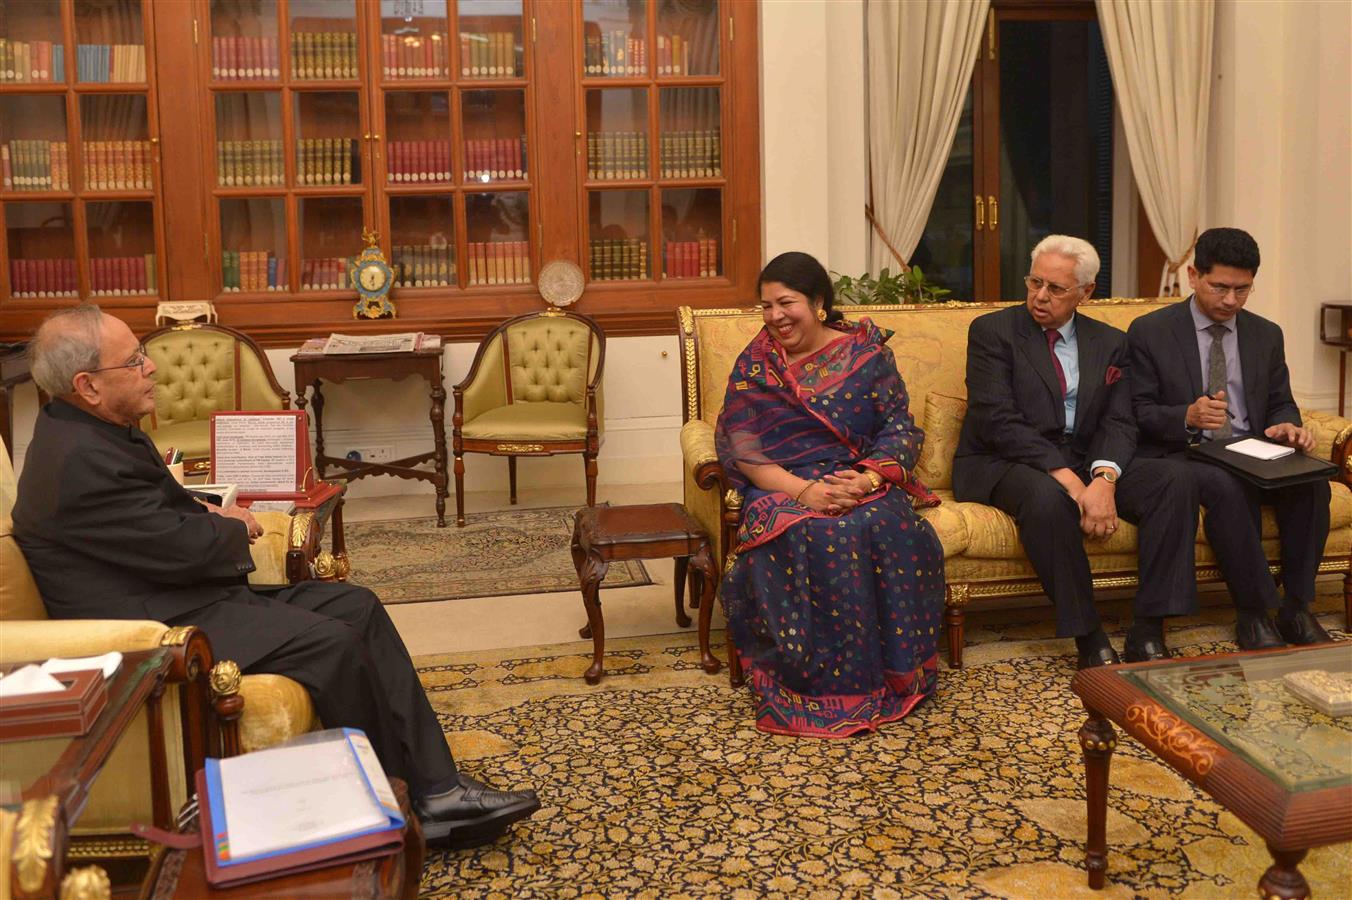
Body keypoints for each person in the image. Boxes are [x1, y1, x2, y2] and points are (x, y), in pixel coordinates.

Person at [12, 305, 540, 848]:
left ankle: (438, 787)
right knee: (332, 644)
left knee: (356, 605)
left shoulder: (92, 430)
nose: (151, 368)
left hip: (178, 595)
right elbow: (178, 548)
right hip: (157, 627)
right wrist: (235, 528)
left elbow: (152, 520)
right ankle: (397, 809)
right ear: (88, 385)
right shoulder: (76, 461)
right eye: (135, 361)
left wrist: (208, 511)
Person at [715, 251, 946, 737]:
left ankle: (890, 678)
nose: (775, 316)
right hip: (782, 482)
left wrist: (867, 479)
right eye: (766, 306)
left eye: (786, 302)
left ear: (818, 302)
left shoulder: (866, 355)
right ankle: (814, 686)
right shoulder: (757, 365)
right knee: (819, 534)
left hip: (855, 477)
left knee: (882, 523)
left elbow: (899, 428)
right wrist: (805, 493)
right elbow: (744, 451)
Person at [952, 235, 1199, 667]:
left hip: (1085, 457)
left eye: (1056, 288)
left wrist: (1103, 480)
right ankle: (1089, 635)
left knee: (1174, 479)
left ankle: (1147, 627)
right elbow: (997, 421)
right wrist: (1070, 481)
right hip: (1004, 459)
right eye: (1034, 282)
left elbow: (1120, 419)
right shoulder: (993, 332)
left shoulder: (1110, 342)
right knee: (1048, 499)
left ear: (1085, 292)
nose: (1040, 296)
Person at [1127, 227, 1331, 650]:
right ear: (1193, 275)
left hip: (1252, 449)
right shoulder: (1151, 331)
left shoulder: (1265, 334)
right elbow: (1137, 411)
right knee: (1227, 486)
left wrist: (1286, 426)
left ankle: (1296, 606)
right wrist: (1187, 415)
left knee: (1311, 483)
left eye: (1243, 290)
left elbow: (1280, 402)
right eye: (1220, 287)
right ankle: (1254, 613)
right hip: (1187, 452)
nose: (1230, 301)